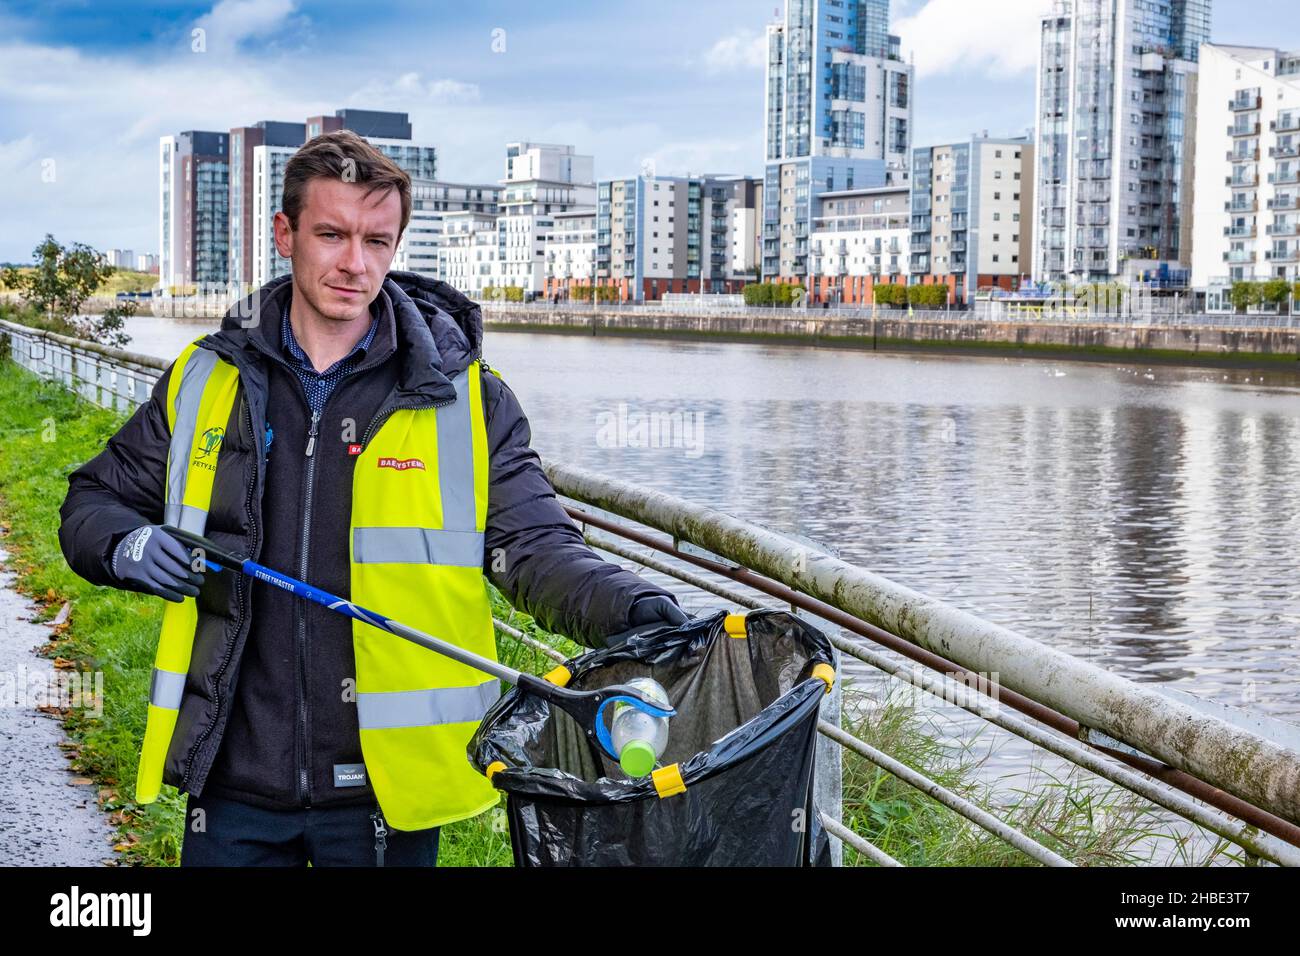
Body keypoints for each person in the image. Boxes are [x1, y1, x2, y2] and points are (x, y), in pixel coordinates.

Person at [57, 130, 688, 867]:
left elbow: (538, 549)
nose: (355, 264)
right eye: (332, 235)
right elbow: (90, 501)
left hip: (386, 802)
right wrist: (125, 546)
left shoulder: (468, 403)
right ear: (285, 234)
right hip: (232, 788)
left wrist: (635, 608)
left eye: (377, 241)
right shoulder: (205, 379)